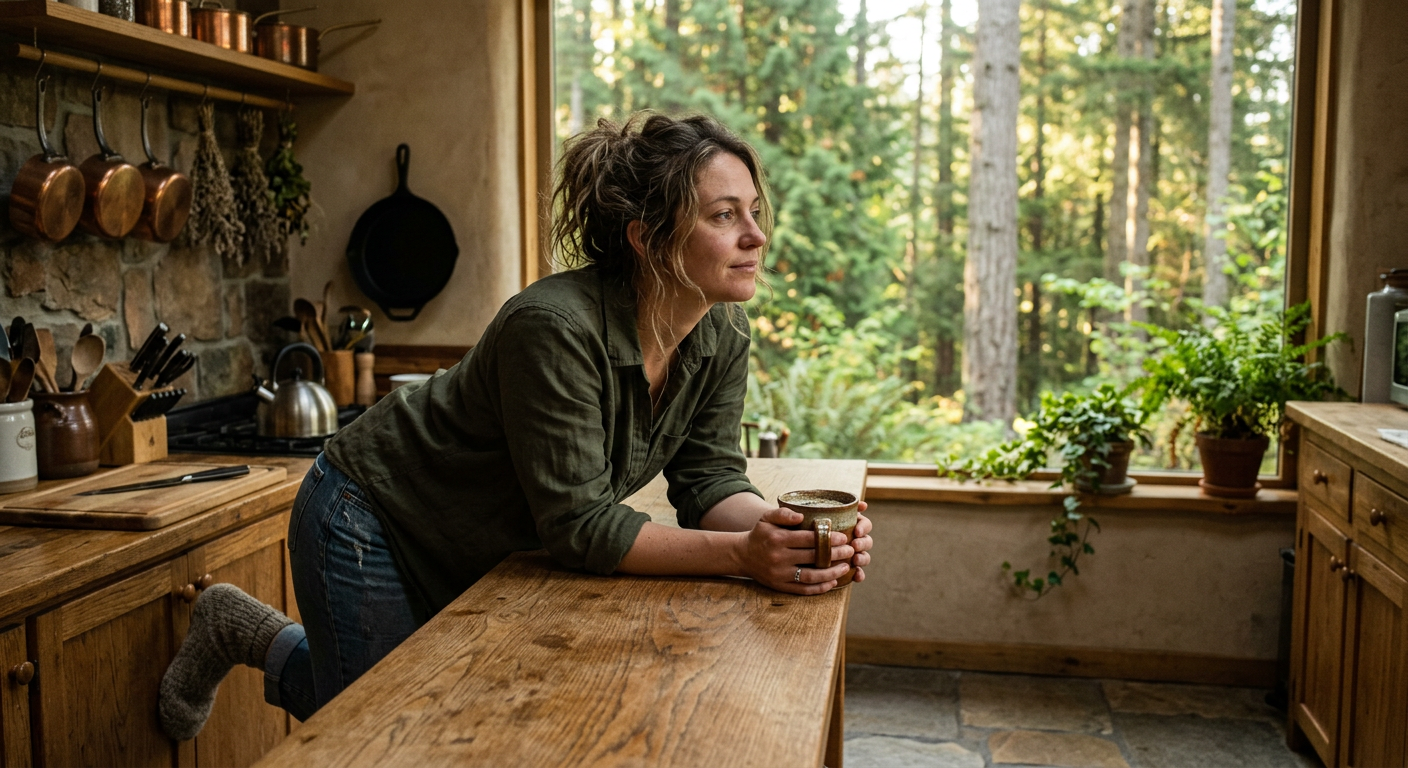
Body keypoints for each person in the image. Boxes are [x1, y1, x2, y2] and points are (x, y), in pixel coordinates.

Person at [157, 112, 875, 739]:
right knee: (384, 730)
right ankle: (236, 628)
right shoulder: (554, 327)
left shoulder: (723, 335)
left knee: (430, 716)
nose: (756, 236)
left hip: (480, 534)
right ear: (648, 240)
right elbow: (581, 526)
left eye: (754, 212)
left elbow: (710, 477)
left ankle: (243, 629)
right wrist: (744, 556)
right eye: (724, 215)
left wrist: (786, 532)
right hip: (366, 512)